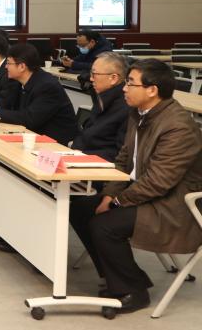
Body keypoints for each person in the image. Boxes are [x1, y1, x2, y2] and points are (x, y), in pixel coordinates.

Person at [70, 59, 202, 314]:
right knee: (81, 209)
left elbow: (159, 182)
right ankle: (116, 277)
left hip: (175, 206)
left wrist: (117, 202)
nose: (124, 88)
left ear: (152, 90)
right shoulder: (138, 114)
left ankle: (134, 291)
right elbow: (123, 160)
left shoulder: (178, 127)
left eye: (130, 83)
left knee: (104, 224)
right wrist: (109, 194)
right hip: (148, 193)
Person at [0, 43, 79, 146]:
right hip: (33, 138)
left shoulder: (47, 86)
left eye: (8, 63)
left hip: (58, 144)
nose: (6, 67)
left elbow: (29, 119)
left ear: (22, 66)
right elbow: (7, 105)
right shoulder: (18, 82)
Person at [72, 52, 130, 162]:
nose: (91, 79)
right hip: (80, 157)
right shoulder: (103, 97)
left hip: (99, 165)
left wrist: (81, 156)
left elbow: (119, 153)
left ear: (113, 78)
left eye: (94, 74)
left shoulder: (127, 106)